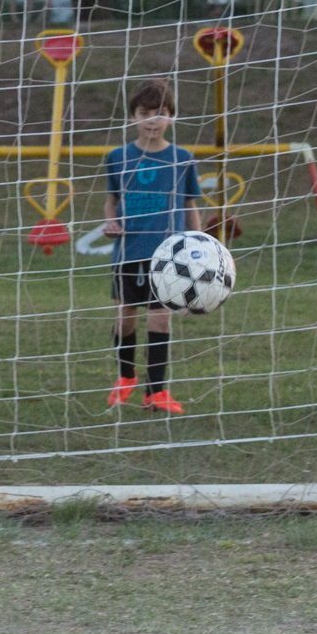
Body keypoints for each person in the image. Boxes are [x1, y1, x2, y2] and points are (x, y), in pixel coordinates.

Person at [102, 79, 203, 416]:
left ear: (171, 117)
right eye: (144, 113)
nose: (152, 120)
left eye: (160, 113)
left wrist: (198, 245)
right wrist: (111, 222)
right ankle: (126, 376)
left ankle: (156, 391)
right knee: (126, 317)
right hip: (128, 253)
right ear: (133, 116)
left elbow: (189, 205)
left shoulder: (182, 158)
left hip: (168, 256)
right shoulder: (118, 157)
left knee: (160, 320)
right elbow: (111, 200)